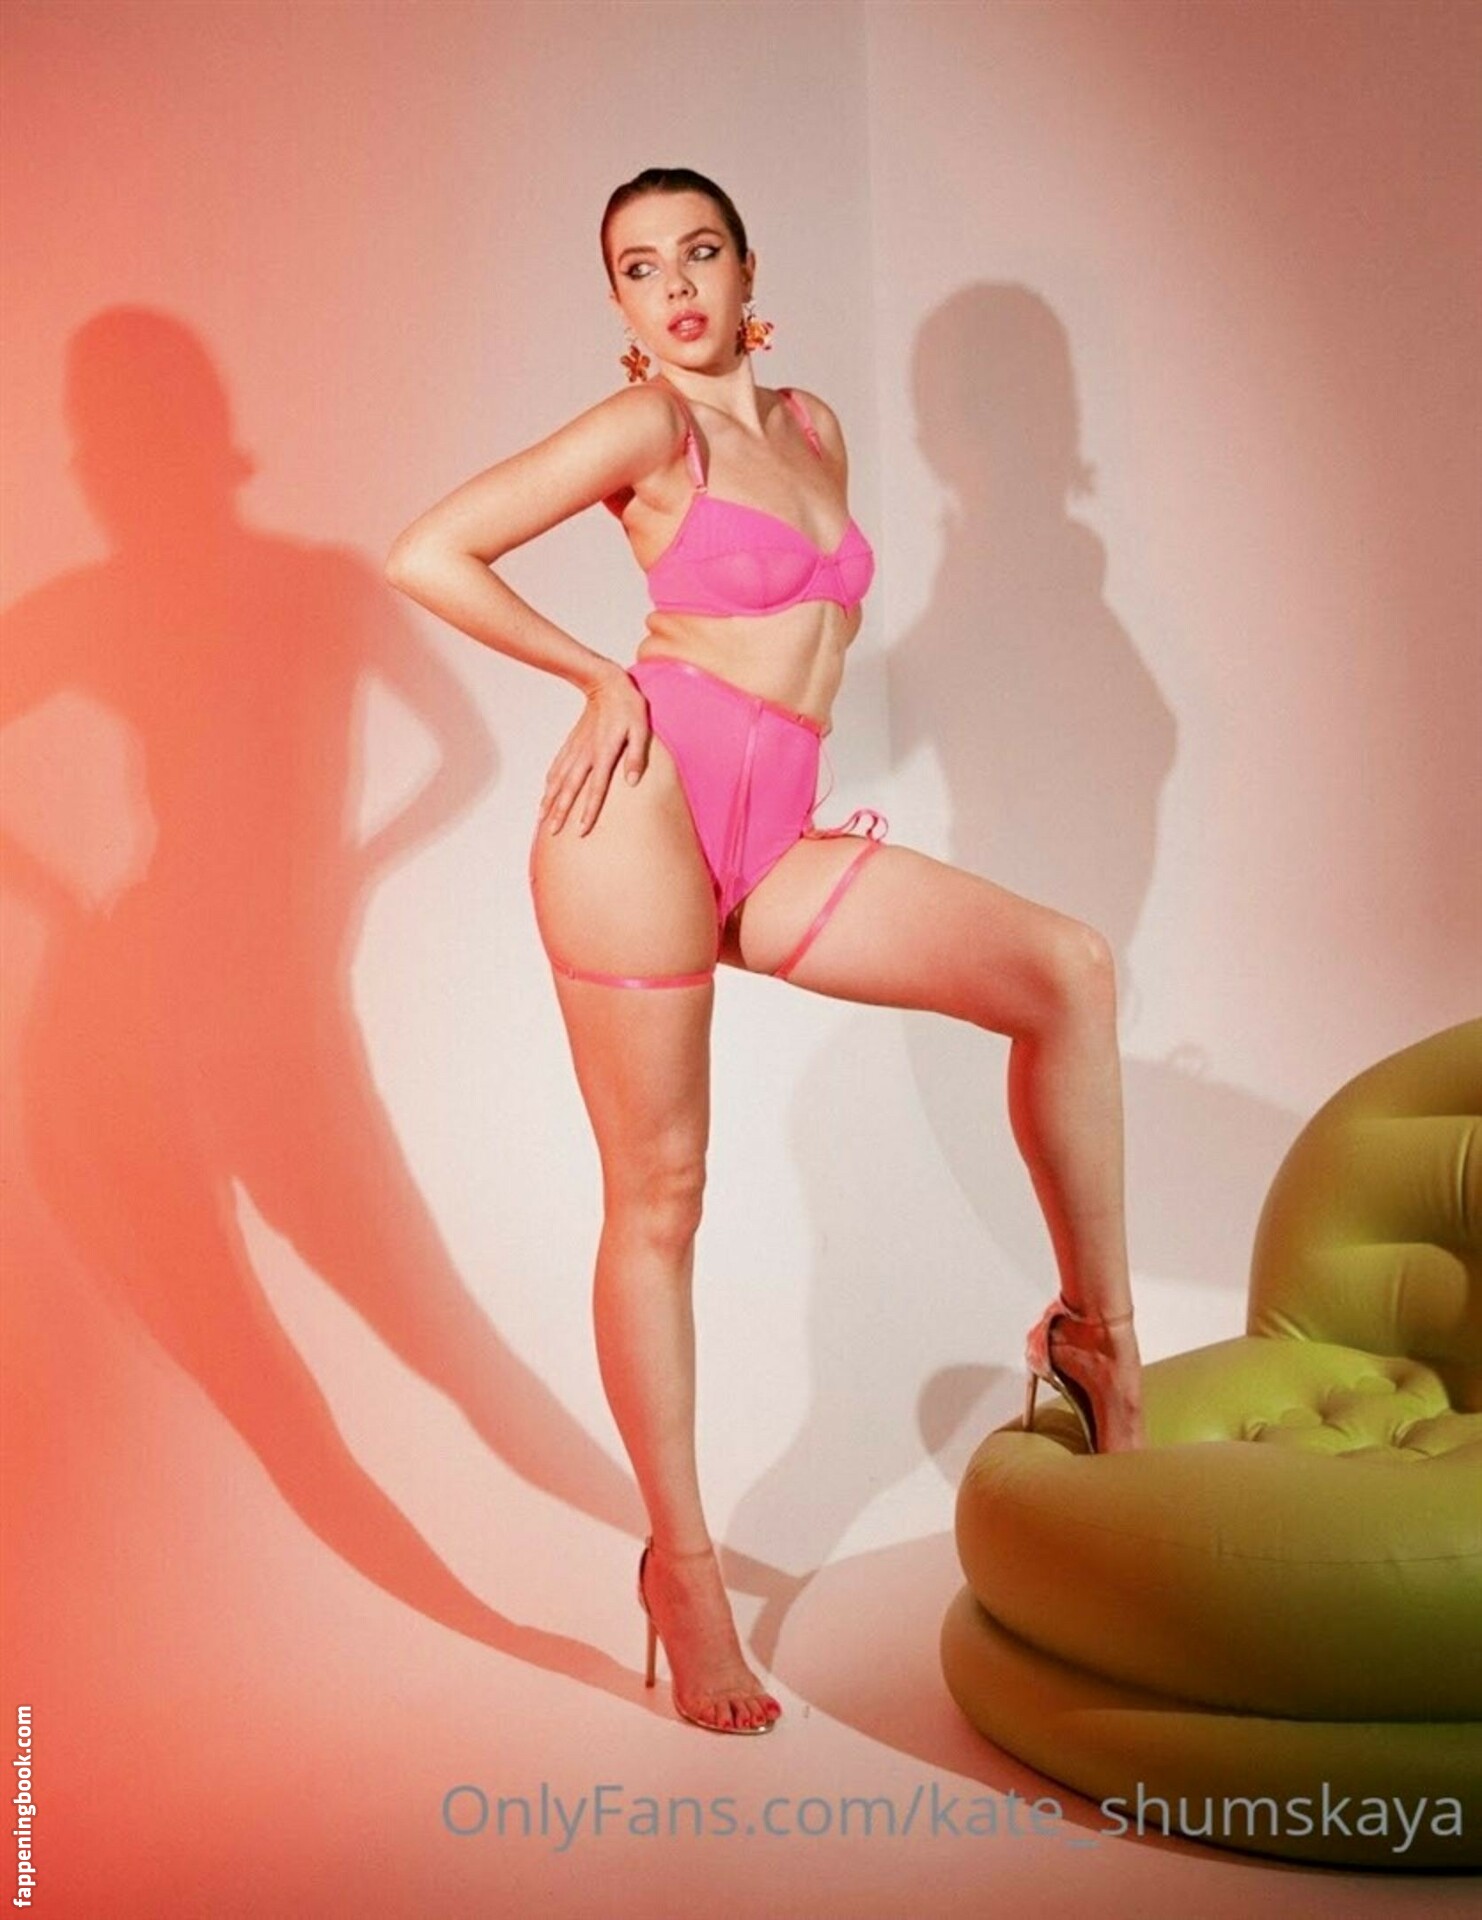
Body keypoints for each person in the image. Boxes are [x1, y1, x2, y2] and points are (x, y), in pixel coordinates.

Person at [385, 166, 1145, 1737]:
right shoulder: (644, 427)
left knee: (1065, 972)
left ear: (745, 273)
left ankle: (1095, 1340)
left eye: (698, 253)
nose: (673, 285)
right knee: (662, 1196)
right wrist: (597, 680)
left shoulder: (810, 429)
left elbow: (814, 648)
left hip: (775, 840)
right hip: (636, 817)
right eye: (638, 266)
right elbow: (430, 552)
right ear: (618, 303)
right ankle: (681, 1572)